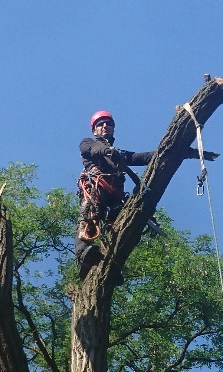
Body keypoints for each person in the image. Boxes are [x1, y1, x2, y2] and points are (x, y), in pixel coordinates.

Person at [76, 109, 214, 271]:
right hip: (96, 188)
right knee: (89, 213)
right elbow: (91, 149)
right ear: (94, 130)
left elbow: (143, 157)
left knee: (121, 227)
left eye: (108, 124)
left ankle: (113, 264)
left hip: (115, 196)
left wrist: (180, 153)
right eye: (100, 124)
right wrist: (108, 151)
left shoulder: (119, 154)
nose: (105, 126)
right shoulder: (89, 143)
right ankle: (83, 254)